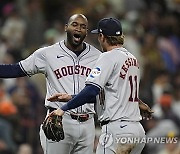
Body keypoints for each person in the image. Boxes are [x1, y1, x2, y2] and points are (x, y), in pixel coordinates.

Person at [0, 14, 102, 154]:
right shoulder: (47, 54)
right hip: (60, 120)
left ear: (86, 31)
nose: (78, 29)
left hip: (88, 123)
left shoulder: (97, 56)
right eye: (75, 24)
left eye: (83, 27)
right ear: (66, 28)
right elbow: (16, 69)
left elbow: (100, 92)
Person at [48, 17, 147, 154]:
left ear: (102, 36)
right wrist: (71, 97)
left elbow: (92, 90)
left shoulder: (108, 57)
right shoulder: (132, 58)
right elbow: (112, 93)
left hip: (116, 130)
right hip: (137, 130)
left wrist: (63, 109)